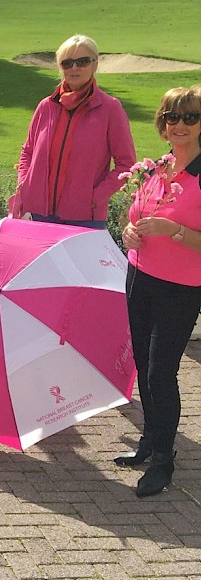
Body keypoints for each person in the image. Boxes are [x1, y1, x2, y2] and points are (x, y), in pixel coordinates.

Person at [117, 86, 201, 497]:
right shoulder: (157, 168)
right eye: (171, 117)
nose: (179, 125)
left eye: (189, 117)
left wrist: (177, 231)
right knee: (142, 361)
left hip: (181, 288)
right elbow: (133, 214)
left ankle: (164, 462)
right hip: (140, 277)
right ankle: (149, 442)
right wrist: (128, 231)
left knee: (160, 372)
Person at [9, 34, 135, 229]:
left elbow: (126, 164)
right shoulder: (46, 106)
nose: (74, 68)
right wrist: (25, 187)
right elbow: (28, 151)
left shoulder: (110, 108)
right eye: (67, 63)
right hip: (39, 213)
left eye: (82, 61)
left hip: (84, 217)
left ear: (94, 64)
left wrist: (94, 197)